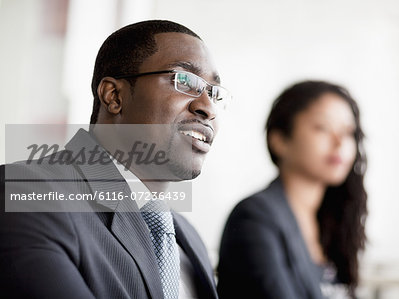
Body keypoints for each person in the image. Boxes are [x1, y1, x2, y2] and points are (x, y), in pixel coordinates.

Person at [0, 20, 231, 298]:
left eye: (214, 93)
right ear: (114, 96)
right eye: (184, 80)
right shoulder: (26, 194)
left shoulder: (186, 236)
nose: (208, 107)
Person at [218, 81, 367, 299]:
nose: (340, 142)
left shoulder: (332, 222)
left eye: (348, 131)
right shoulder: (254, 217)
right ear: (279, 140)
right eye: (322, 128)